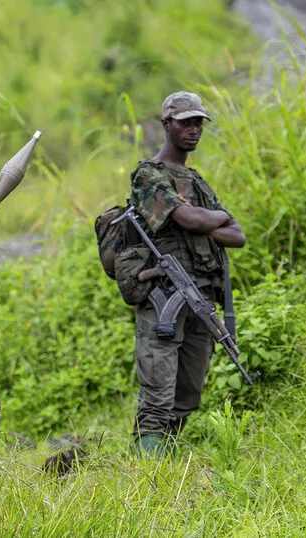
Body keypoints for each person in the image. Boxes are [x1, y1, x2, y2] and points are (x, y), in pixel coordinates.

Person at [128, 92, 246, 456]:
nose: (193, 129)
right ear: (167, 125)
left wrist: (205, 223)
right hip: (163, 295)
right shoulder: (149, 175)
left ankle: (167, 462)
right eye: (185, 122)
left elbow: (238, 235)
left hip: (201, 296)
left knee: (188, 393)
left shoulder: (196, 181)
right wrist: (209, 220)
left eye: (198, 123)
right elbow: (188, 219)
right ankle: (144, 473)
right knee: (158, 394)